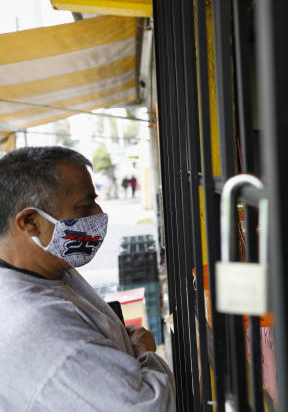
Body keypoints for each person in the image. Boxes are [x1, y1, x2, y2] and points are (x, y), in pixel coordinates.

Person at [0, 147, 175, 410]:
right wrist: (146, 354)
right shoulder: (41, 326)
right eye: (84, 207)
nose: (99, 213)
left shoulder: (51, 268)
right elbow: (153, 406)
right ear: (31, 222)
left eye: (94, 201)